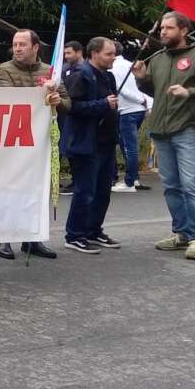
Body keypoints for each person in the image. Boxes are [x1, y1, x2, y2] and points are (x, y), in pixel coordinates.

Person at [134, 11, 195, 261]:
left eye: (168, 28)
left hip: (187, 129)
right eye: (162, 28)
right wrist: (142, 80)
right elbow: (157, 91)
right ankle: (182, 233)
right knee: (172, 187)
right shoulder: (159, 58)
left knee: (190, 185)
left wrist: (190, 92)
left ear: (184, 30)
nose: (162, 32)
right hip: (161, 130)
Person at [0, 29, 68, 260]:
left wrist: (57, 99)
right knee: (7, 188)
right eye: (15, 44)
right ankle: (1, 238)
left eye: (23, 44)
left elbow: (68, 103)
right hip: (12, 141)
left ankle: (32, 238)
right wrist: (41, 96)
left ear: (36, 47)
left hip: (42, 140)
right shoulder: (4, 69)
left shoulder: (50, 71)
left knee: (37, 188)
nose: (18, 48)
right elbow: (9, 98)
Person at [61, 37, 121, 255]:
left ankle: (93, 230)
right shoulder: (80, 75)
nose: (113, 57)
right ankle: (75, 235)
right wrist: (102, 104)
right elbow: (71, 107)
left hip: (106, 142)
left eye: (113, 53)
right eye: (109, 54)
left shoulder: (109, 76)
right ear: (94, 53)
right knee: (85, 191)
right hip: (86, 143)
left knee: (103, 191)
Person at [111, 42, 151, 193]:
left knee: (129, 147)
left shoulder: (114, 67)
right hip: (137, 109)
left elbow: (122, 89)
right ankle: (133, 179)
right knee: (126, 145)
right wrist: (146, 103)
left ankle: (129, 182)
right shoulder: (129, 64)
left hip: (128, 110)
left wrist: (141, 100)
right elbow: (140, 86)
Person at [58, 41, 84, 196]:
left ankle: (78, 182)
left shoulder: (85, 70)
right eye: (65, 53)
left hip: (77, 114)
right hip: (65, 113)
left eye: (69, 53)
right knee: (66, 148)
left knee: (74, 148)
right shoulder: (65, 69)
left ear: (79, 52)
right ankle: (75, 181)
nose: (66, 57)